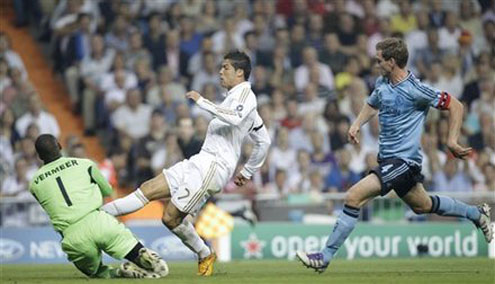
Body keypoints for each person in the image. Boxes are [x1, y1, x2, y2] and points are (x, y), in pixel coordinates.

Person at [296, 38, 493, 273]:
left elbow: (456, 106)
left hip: (404, 162)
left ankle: (324, 256)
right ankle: (477, 213)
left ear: (392, 62)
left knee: (352, 197)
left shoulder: (416, 90)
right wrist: (357, 124)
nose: (375, 64)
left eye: (379, 60)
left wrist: (451, 140)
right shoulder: (382, 82)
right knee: (423, 205)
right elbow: (373, 102)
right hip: (388, 160)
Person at [102, 51, 272, 276]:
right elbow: (264, 140)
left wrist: (202, 102)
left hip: (214, 167)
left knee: (169, 218)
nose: (220, 72)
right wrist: (248, 170)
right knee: (147, 190)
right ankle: (98, 214)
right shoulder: (237, 100)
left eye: (226, 68)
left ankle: (204, 253)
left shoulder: (246, 96)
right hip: (200, 161)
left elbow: (234, 117)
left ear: (240, 72)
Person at [29, 134, 169, 279]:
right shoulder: (85, 164)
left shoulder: (34, 184)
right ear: (60, 146)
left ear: (39, 156)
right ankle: (141, 255)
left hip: (72, 235)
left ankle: (119, 272)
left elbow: (50, 206)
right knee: (127, 246)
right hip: (98, 221)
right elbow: (108, 190)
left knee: (96, 273)